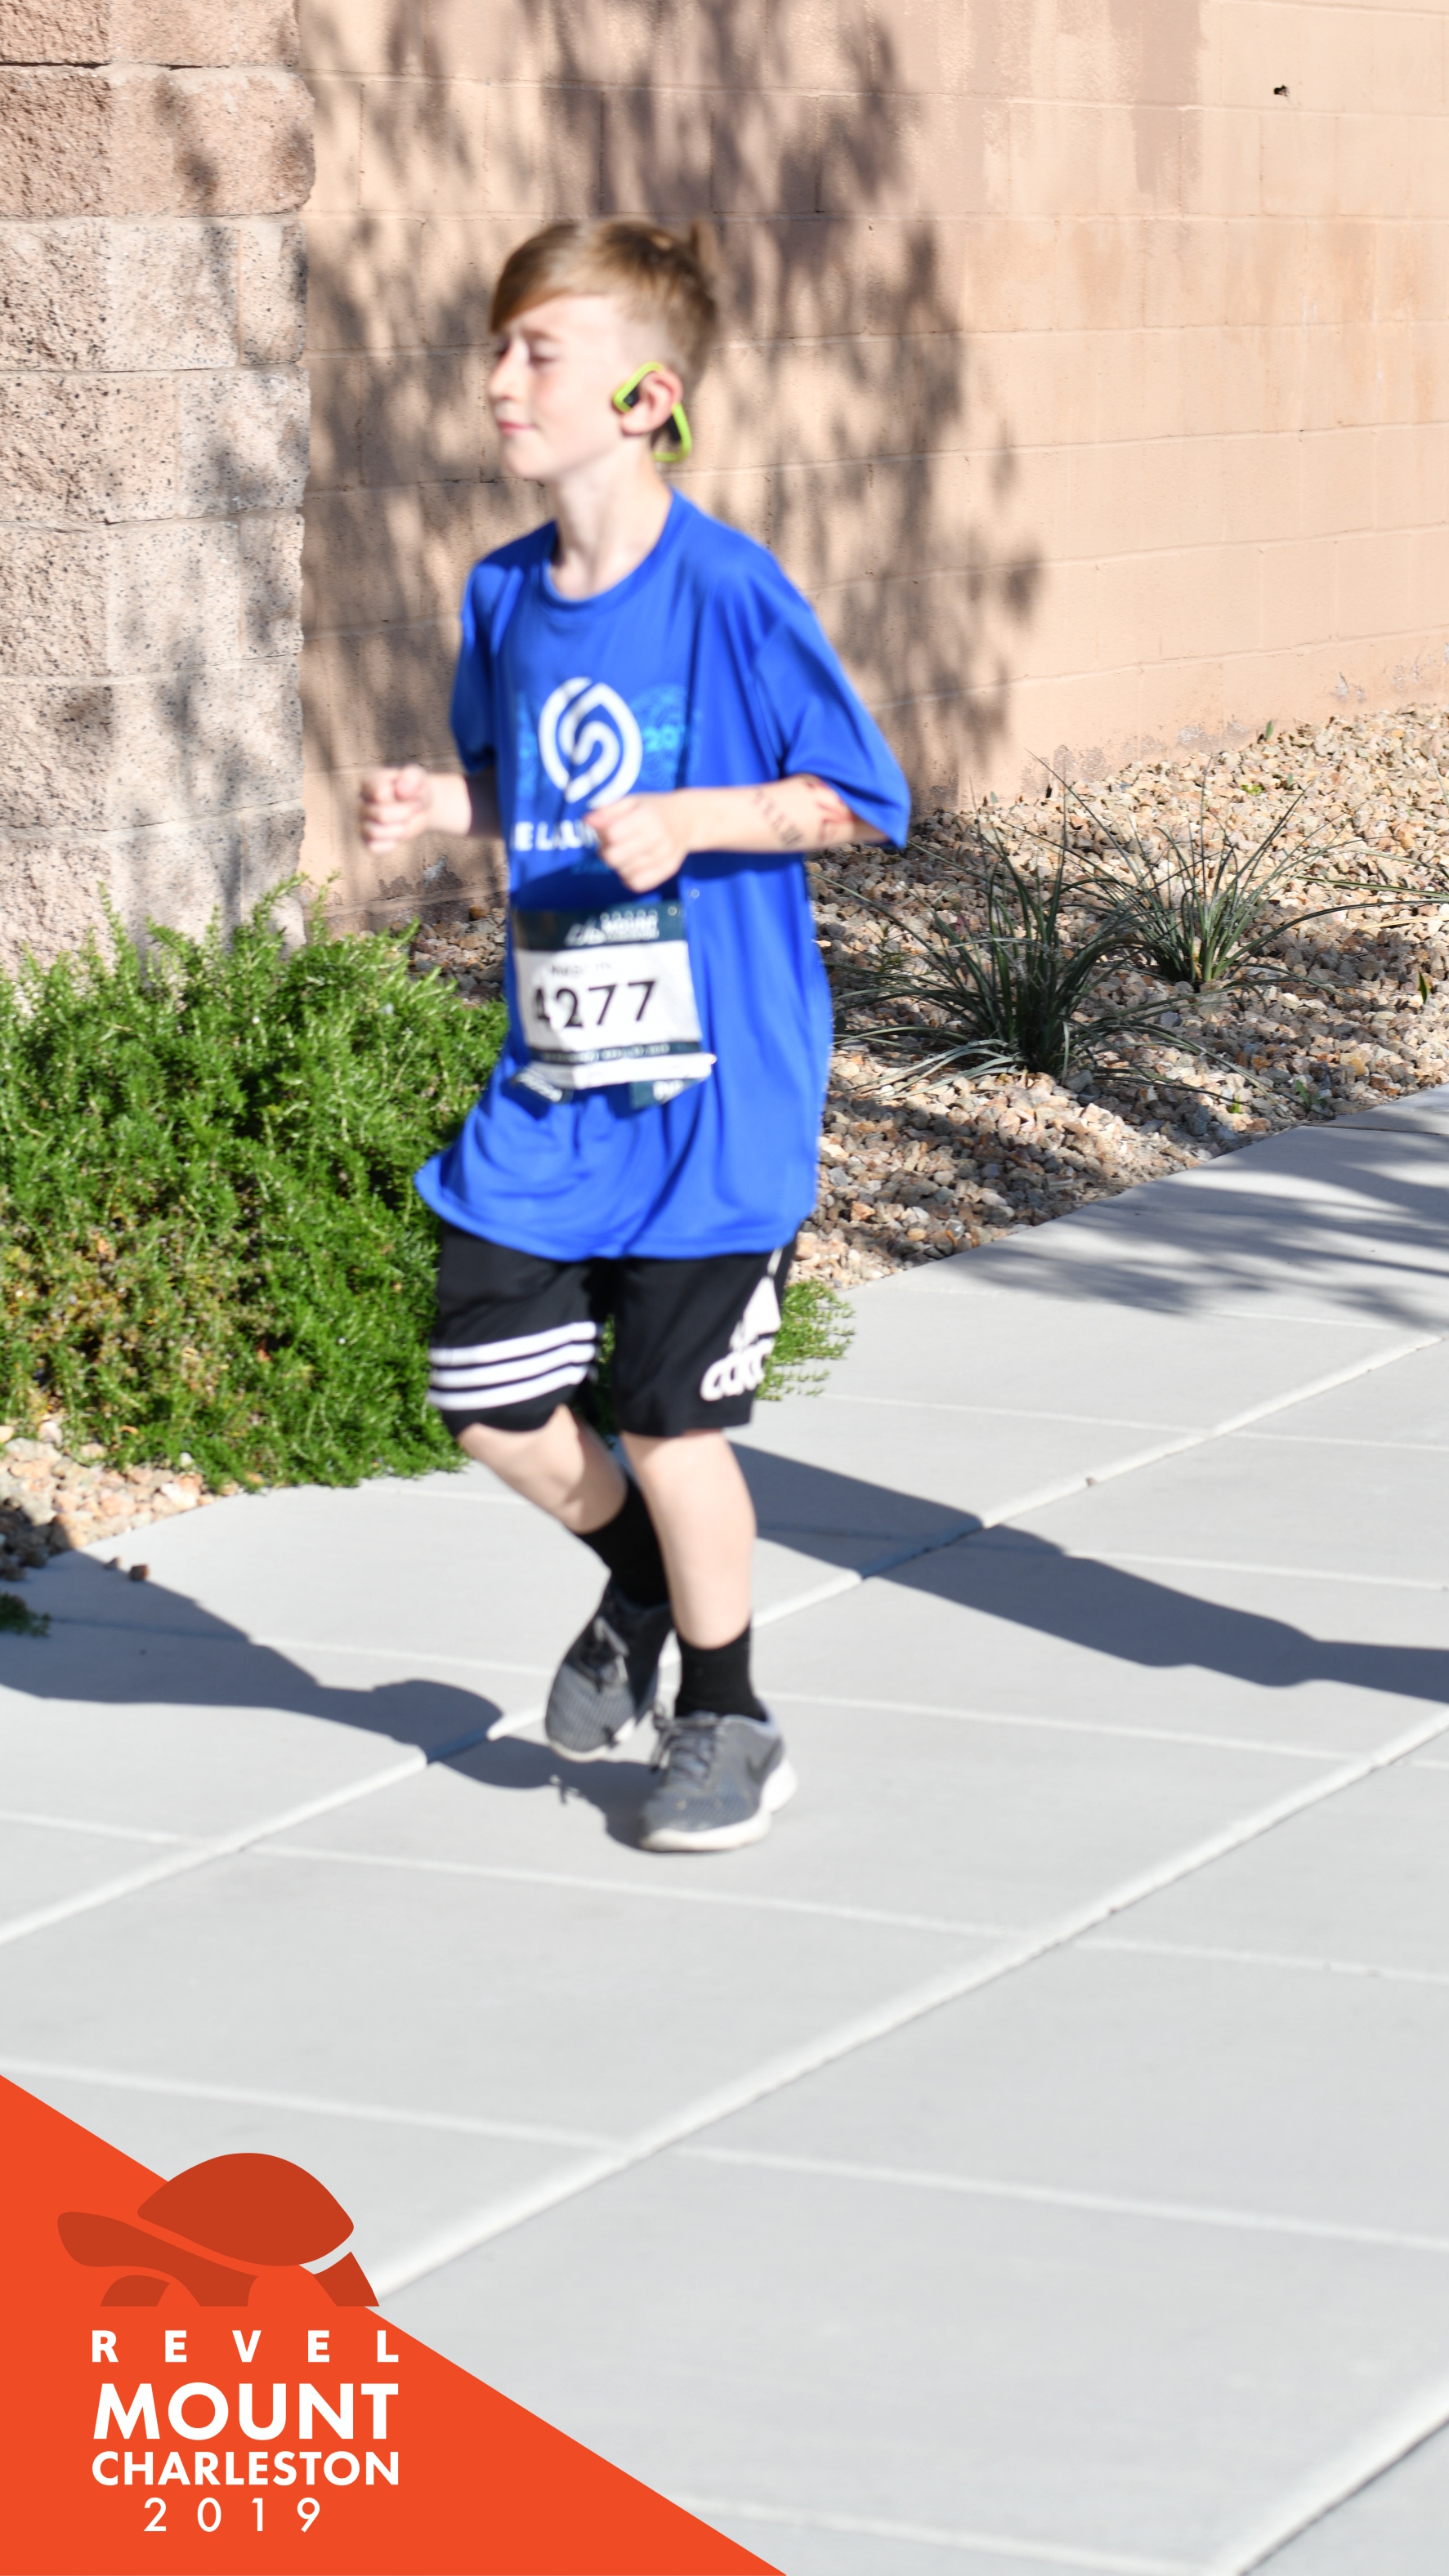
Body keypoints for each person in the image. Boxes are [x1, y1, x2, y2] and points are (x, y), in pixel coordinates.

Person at [359, 219, 909, 1852]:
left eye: (539, 350)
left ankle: (729, 1717)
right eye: (496, 346)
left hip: (714, 1100)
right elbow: (521, 787)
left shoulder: (726, 589)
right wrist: (443, 805)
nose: (498, 379)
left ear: (644, 396)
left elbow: (857, 798)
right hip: (557, 1087)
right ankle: (640, 1580)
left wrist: (697, 819)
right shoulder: (502, 594)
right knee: (484, 1393)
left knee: (671, 1423)